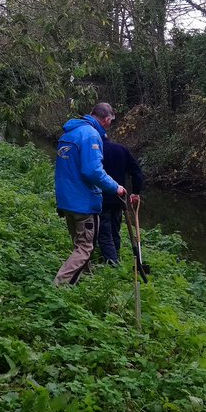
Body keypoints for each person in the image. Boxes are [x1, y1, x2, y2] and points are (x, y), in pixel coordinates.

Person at [53, 102, 126, 285]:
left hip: (66, 200)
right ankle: (60, 285)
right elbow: (92, 171)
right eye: (110, 122)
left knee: (80, 244)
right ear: (107, 120)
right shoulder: (91, 135)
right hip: (83, 202)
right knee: (86, 247)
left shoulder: (69, 133)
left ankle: (85, 280)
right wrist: (115, 187)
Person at [95, 138, 145, 265]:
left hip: (101, 197)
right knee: (114, 229)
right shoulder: (121, 149)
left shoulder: (95, 150)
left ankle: (112, 262)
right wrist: (136, 192)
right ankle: (115, 255)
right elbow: (137, 172)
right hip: (119, 197)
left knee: (104, 231)